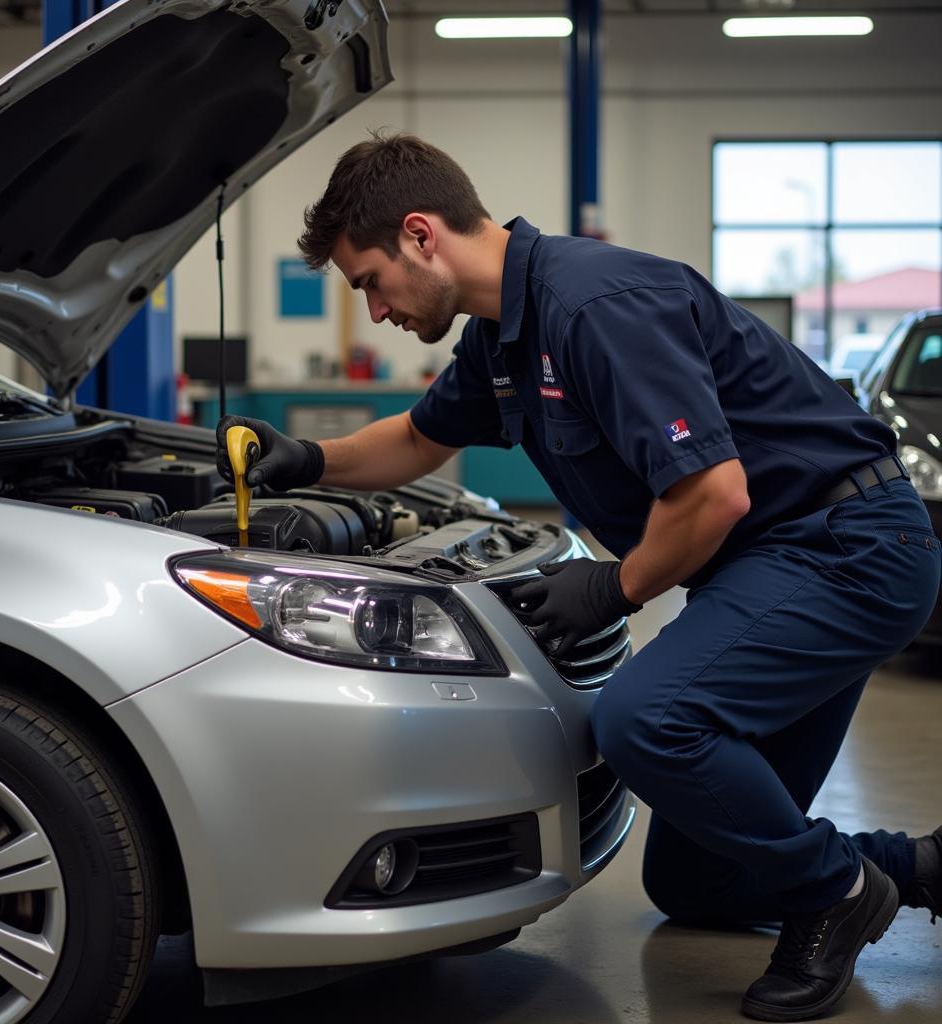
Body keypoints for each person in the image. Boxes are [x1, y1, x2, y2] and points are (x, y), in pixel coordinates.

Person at [215, 132, 941, 1021]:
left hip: (848, 549)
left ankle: (834, 895)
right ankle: (909, 869)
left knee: (644, 719)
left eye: (368, 280)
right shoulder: (502, 337)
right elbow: (416, 438)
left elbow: (713, 493)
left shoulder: (592, 305)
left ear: (419, 234)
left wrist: (613, 587)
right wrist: (305, 458)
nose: (373, 310)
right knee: (697, 880)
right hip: (777, 560)